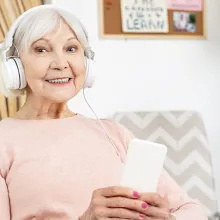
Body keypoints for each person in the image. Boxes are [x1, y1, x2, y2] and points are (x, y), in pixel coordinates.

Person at [0, 5, 208, 220]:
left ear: (87, 64)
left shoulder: (114, 133)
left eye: (71, 49)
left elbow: (194, 210)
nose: (61, 64)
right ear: (14, 66)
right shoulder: (3, 140)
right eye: (41, 50)